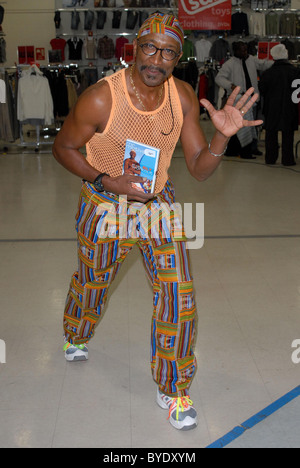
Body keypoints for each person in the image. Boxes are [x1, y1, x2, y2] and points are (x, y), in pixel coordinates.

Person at [52, 13, 262, 431]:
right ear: (135, 48)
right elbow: (63, 147)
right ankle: (77, 330)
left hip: (157, 206)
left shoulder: (182, 95)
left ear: (178, 56)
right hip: (105, 203)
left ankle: (174, 387)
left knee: (178, 291)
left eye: (168, 51)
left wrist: (220, 136)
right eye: (149, 47)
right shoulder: (101, 98)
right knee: (93, 281)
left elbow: (200, 169)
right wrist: (106, 178)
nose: (156, 59)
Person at [215, 41, 272, 159]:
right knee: (241, 125)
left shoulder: (251, 59)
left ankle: (249, 148)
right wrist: (230, 85)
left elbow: (263, 64)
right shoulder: (229, 64)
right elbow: (219, 78)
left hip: (252, 98)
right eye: (242, 50)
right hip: (238, 99)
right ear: (235, 51)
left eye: (246, 50)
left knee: (252, 124)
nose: (245, 52)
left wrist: (277, 62)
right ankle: (240, 150)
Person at [259, 43, 299, 166]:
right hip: (291, 106)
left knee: (271, 133)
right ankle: (288, 159)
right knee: (288, 134)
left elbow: (262, 90)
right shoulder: (296, 72)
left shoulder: (267, 73)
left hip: (272, 107)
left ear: (273, 56)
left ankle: (271, 158)